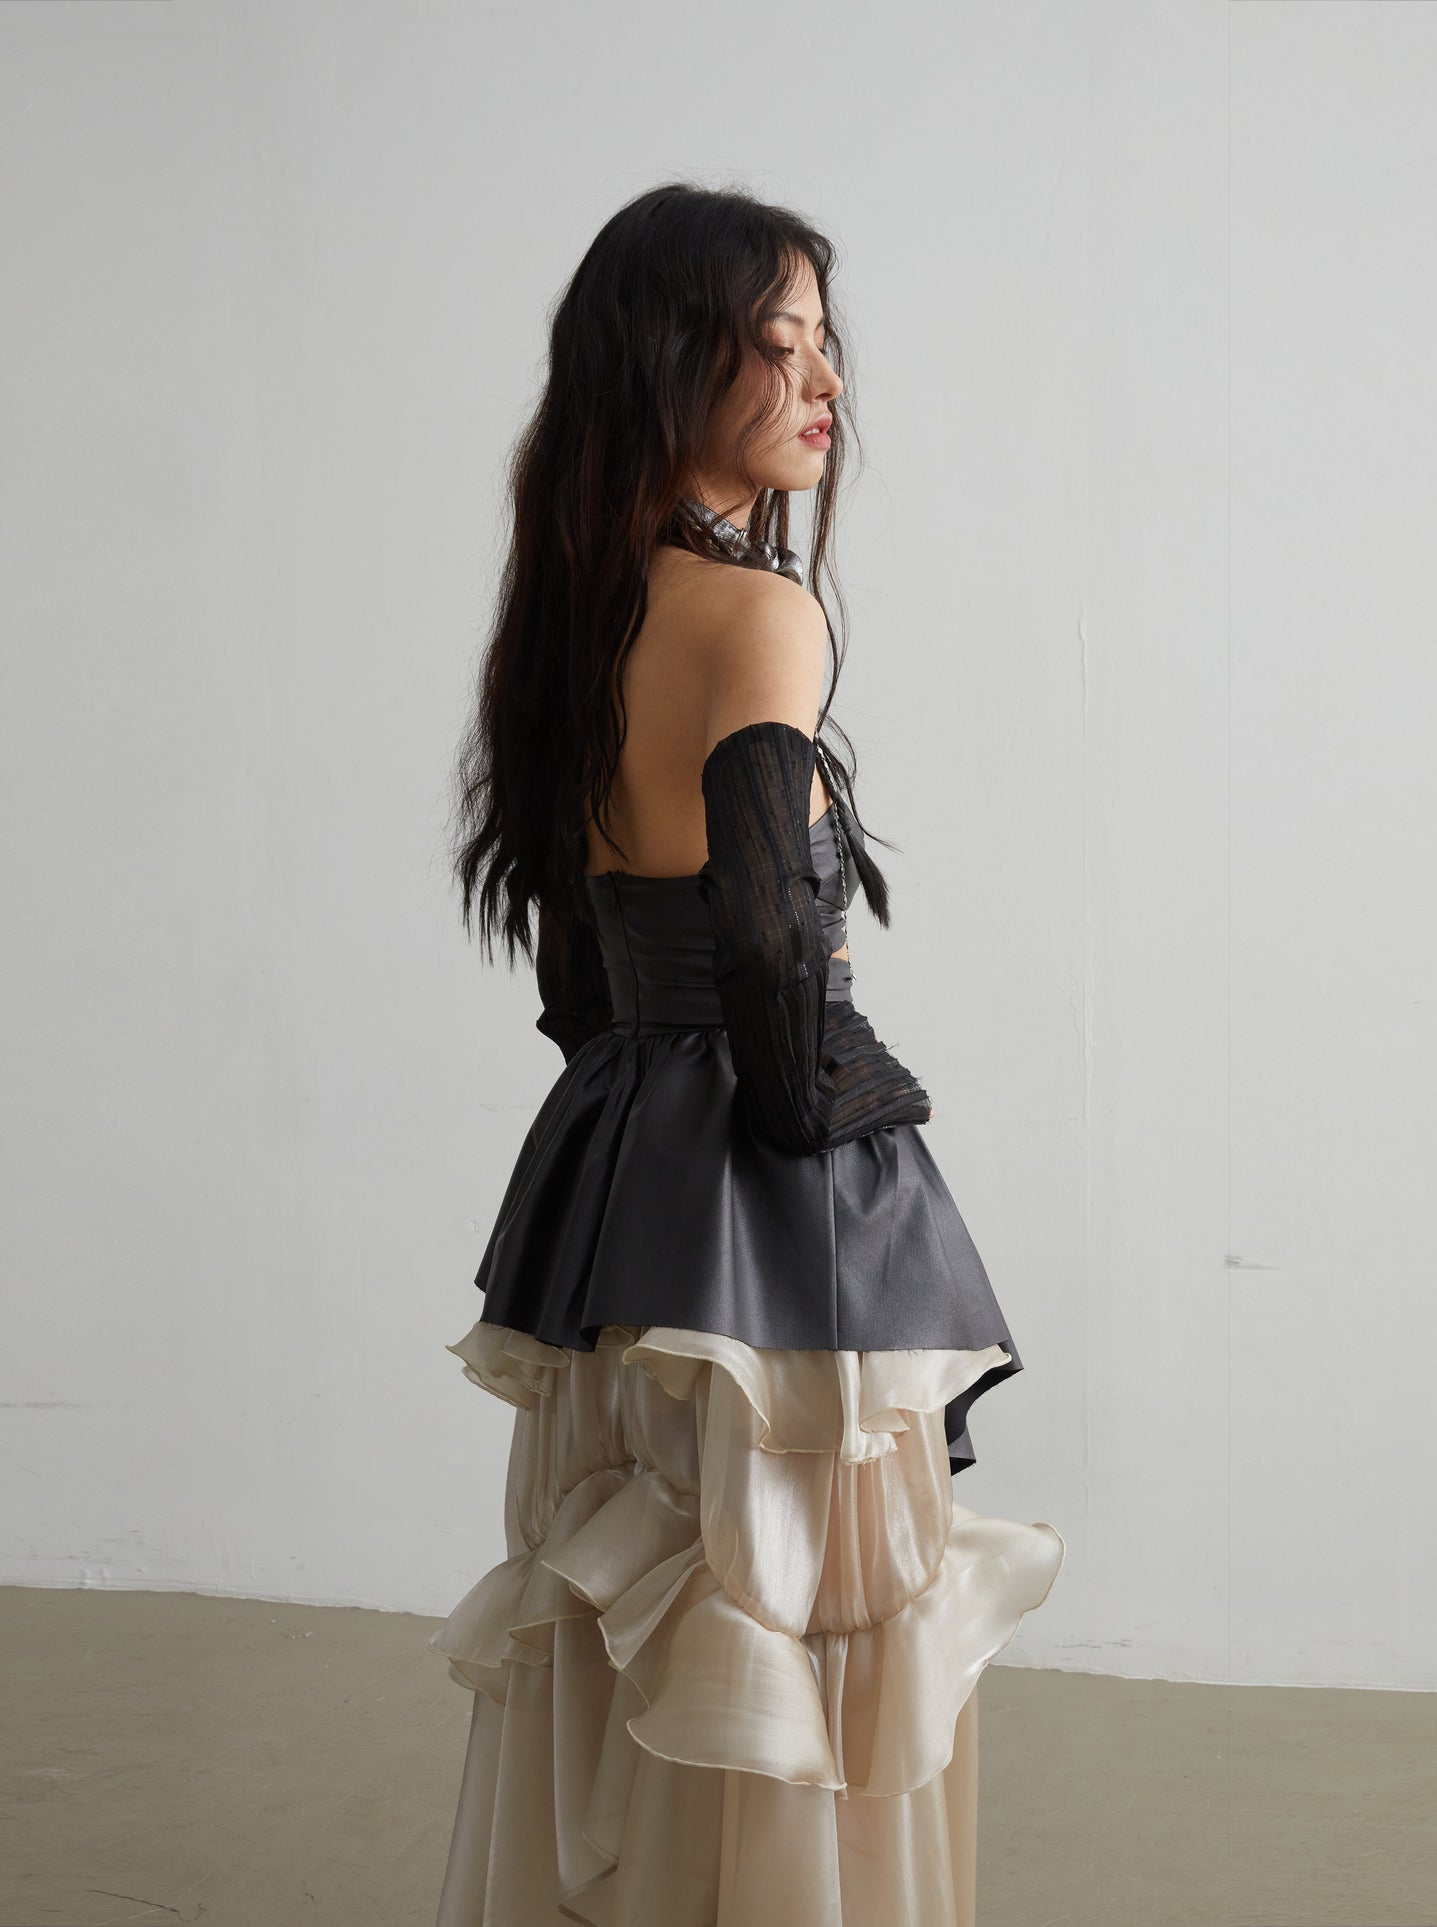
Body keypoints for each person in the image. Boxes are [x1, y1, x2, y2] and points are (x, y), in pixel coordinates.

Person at [427, 180, 1065, 1927]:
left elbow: (580, 957)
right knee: (802, 1623)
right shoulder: (758, 615)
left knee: (640, 1613)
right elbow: (773, 930)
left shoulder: (580, 612)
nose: (825, 380)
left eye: (823, 340)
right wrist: (838, 1106)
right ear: (668, 363)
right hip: (764, 1203)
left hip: (618, 1184)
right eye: (777, 342)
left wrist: (652, 1103)